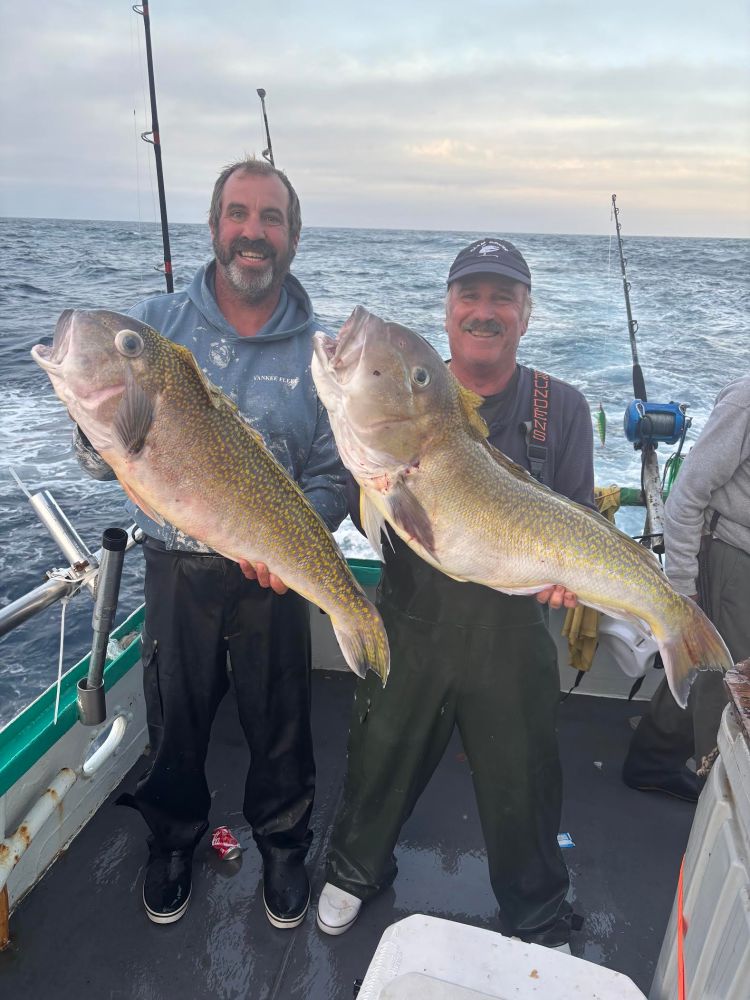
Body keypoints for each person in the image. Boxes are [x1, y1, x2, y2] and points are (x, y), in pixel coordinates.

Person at [75, 157, 347, 927]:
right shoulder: (152, 330)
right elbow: (105, 459)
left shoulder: (319, 358)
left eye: (270, 218)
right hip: (176, 565)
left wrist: (293, 539)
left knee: (281, 720)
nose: (252, 233)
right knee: (175, 719)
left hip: (274, 571)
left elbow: (331, 476)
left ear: (293, 236)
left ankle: (286, 846)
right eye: (238, 214)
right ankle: (171, 840)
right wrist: (93, 424)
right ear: (214, 227)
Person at [316, 238, 595, 951]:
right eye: (469, 295)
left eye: (502, 297)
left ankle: (536, 911)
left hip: (512, 629)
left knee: (525, 778)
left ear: (526, 315)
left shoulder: (560, 408)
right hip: (414, 622)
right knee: (378, 752)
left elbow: (580, 518)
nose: (484, 311)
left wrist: (572, 582)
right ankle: (353, 869)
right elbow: (354, 506)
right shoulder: (394, 394)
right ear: (446, 313)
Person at [622, 375, 750, 801]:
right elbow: (686, 494)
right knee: (730, 680)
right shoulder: (745, 400)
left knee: (703, 661)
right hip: (731, 557)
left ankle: (652, 761)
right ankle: (725, 801)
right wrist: (681, 588)